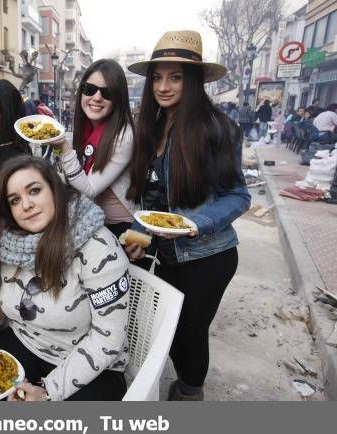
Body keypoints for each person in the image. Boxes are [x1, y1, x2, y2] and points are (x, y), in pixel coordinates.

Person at [125, 30, 251, 400]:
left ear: (193, 80)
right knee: (168, 328)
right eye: (158, 77)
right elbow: (150, 197)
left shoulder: (217, 128)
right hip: (166, 254)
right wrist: (138, 235)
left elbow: (239, 195)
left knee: (190, 333)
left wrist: (195, 224)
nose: (164, 86)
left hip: (208, 257)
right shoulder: (150, 125)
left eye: (175, 77)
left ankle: (190, 393)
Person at [0, 156, 129, 401]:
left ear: (55, 189)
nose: (26, 205)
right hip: (25, 343)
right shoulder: (5, 241)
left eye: (34, 190)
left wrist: (47, 392)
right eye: (14, 200)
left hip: (90, 365)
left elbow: (108, 337)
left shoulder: (98, 247)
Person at [50, 59, 138, 238]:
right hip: (92, 219)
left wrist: (64, 148)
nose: (96, 97)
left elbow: (88, 189)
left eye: (107, 93)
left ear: (118, 99)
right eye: (90, 89)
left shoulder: (124, 135)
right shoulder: (86, 128)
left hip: (121, 229)